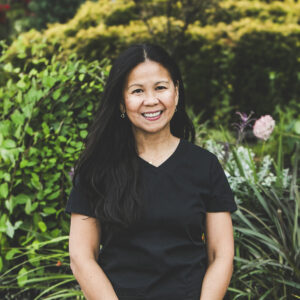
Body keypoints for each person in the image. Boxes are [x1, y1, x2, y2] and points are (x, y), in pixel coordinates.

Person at [65, 43, 237, 300]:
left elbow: (220, 255)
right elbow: (81, 257)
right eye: (137, 91)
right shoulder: (96, 170)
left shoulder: (205, 166)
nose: (151, 100)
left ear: (176, 92)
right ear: (122, 102)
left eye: (160, 87)